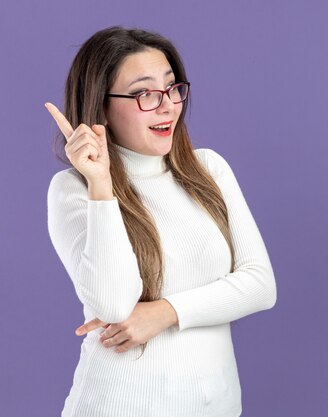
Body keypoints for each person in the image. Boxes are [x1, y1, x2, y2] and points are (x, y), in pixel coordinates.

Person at [46, 27, 276, 417]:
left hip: (218, 405)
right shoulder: (72, 190)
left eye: (172, 88)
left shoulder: (208, 169)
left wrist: (162, 312)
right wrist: (101, 184)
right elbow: (116, 305)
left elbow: (260, 285)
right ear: (101, 107)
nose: (168, 106)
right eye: (145, 94)